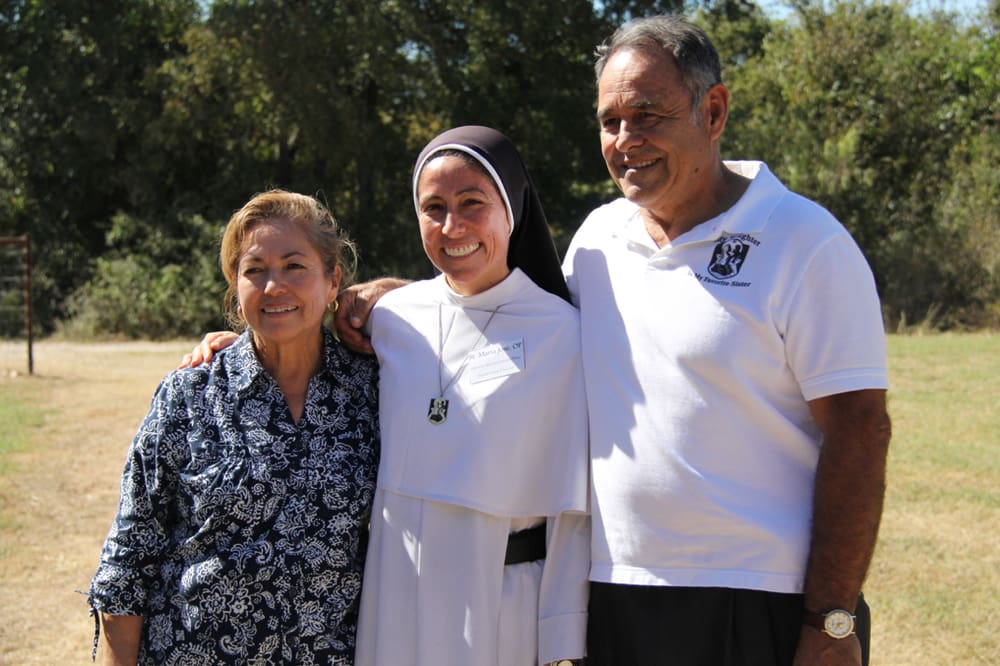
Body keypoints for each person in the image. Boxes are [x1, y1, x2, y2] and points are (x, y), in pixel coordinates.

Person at [335, 16, 891, 666]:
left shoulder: (806, 242)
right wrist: (401, 297)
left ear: (713, 112)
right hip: (616, 592)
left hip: (757, 595)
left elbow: (861, 431)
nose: (627, 140)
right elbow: (516, 316)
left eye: (648, 115)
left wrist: (831, 619)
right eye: (610, 121)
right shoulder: (600, 239)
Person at [183, 127, 590, 666]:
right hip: (395, 587)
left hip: (501, 599)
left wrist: (563, 633)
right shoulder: (394, 316)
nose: (452, 226)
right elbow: (300, 332)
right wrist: (237, 347)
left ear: (510, 208)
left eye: (472, 203)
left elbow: (574, 508)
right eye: (434, 208)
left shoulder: (562, 331)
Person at [89, 190, 380, 665]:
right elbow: (128, 561)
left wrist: (378, 293)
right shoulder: (190, 394)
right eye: (255, 270)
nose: (273, 286)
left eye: (294, 266)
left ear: (333, 281)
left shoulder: (374, 392)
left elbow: (459, 306)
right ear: (235, 287)